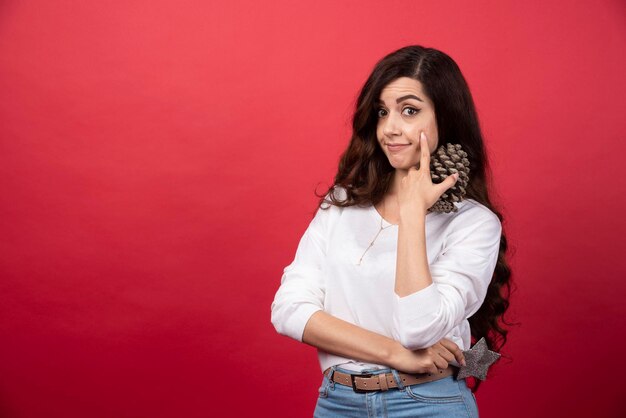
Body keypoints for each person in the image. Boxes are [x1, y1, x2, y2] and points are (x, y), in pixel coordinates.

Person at [271, 45, 512, 418]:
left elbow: (418, 328)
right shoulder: (341, 205)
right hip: (337, 402)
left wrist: (413, 212)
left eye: (410, 111)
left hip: (427, 403)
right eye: (383, 112)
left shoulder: (474, 223)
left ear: (444, 120)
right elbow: (288, 310)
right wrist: (393, 353)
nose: (391, 128)